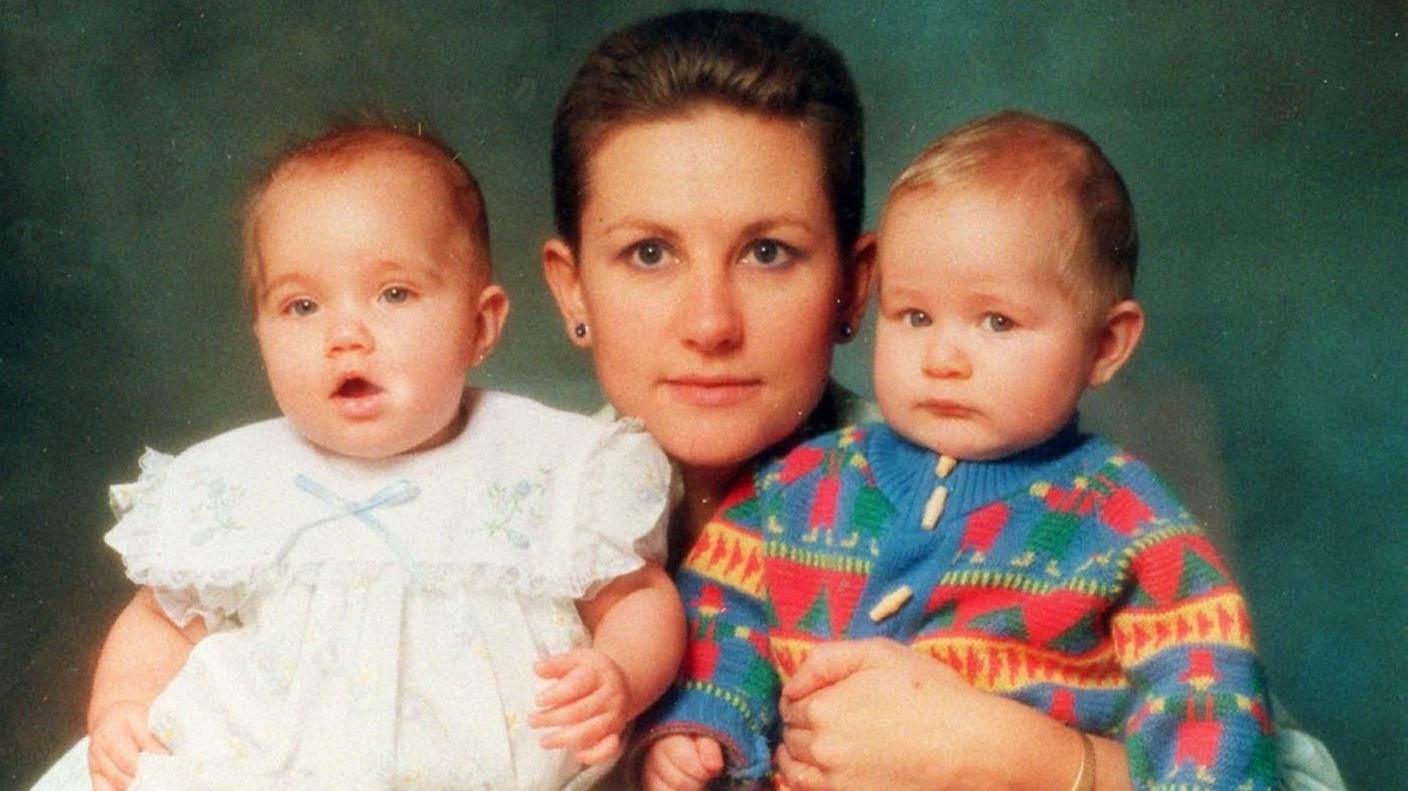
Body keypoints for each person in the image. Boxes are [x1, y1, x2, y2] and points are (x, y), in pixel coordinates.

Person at [540, 10, 1345, 791]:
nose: (710, 322)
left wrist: (1022, 760)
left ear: (857, 286)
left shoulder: (1046, 500)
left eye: (769, 252)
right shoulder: (499, 510)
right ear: (571, 287)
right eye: (649, 253)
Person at [32, 120, 684, 791]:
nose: (345, 335)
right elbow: (158, 621)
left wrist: (621, 675)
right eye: (301, 305)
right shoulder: (230, 481)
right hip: (257, 767)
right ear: (260, 330)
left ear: (480, 324)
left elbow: (638, 597)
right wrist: (120, 706)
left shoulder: (553, 463)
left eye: (393, 293)